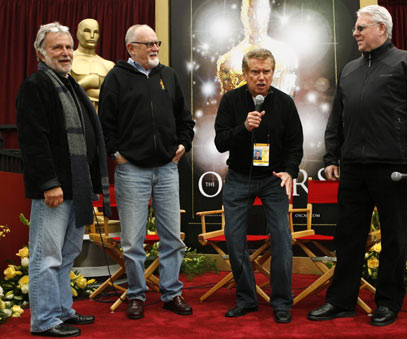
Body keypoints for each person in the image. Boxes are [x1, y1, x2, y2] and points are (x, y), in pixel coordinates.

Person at [307, 5, 407, 327]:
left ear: (381, 28)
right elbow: (337, 116)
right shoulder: (350, 69)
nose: (355, 33)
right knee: (348, 237)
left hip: (394, 168)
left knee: (394, 237)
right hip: (353, 167)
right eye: (355, 28)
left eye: (361, 28)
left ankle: (388, 303)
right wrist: (331, 157)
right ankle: (340, 302)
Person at [16, 22, 111, 337]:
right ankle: (44, 320)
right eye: (58, 47)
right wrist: (49, 183)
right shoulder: (36, 86)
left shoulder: (69, 85)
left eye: (68, 47)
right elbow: (34, 141)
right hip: (54, 189)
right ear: (41, 52)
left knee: (68, 254)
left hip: (76, 187)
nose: (66, 53)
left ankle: (62, 311)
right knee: (47, 256)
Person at [99, 24, 195, 320]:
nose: (155, 48)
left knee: (172, 238)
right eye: (148, 43)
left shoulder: (169, 75)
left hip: (167, 169)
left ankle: (171, 293)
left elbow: (185, 118)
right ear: (131, 49)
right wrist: (117, 154)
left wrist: (183, 144)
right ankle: (137, 295)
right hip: (132, 172)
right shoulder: (116, 78)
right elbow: (105, 124)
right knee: (132, 241)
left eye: (157, 42)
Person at [214, 48, 303, 323]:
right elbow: (220, 143)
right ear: (245, 74)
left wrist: (289, 172)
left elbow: (295, 145)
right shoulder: (230, 101)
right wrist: (244, 128)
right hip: (240, 177)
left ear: (273, 73)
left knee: (281, 238)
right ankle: (246, 299)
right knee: (234, 238)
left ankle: (281, 302)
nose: (261, 78)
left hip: (274, 179)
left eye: (266, 72)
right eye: (255, 72)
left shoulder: (285, 103)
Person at [70, 18, 114, 111]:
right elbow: (64, 93)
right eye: (87, 31)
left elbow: (113, 96)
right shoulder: (68, 61)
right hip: (76, 113)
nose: (92, 36)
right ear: (78, 33)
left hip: (102, 117)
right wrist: (88, 82)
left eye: (96, 32)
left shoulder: (108, 65)